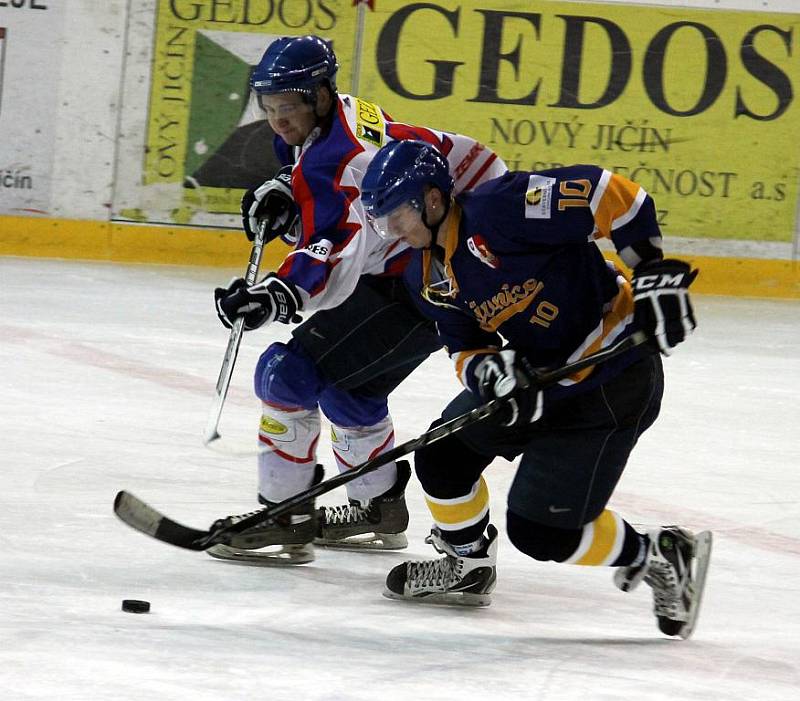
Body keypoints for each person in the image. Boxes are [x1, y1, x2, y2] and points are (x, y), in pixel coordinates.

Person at [359, 139, 713, 639]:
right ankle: (467, 566)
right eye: (381, 220)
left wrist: (652, 270)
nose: (390, 230)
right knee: (442, 457)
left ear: (433, 200)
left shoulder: (502, 208)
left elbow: (614, 195)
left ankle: (658, 553)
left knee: (542, 532)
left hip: (614, 380)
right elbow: (464, 346)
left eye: (396, 215)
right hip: (541, 377)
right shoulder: (426, 275)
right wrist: (493, 377)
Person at [210, 36, 507, 565]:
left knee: (287, 373)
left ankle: (282, 518)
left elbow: (336, 251)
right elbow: (348, 194)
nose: (279, 121)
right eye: (270, 107)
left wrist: (276, 295)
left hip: (423, 278)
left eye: (289, 107)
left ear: (321, 95)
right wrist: (288, 188)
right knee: (349, 393)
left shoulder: (343, 157)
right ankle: (378, 511)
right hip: (427, 262)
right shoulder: (346, 114)